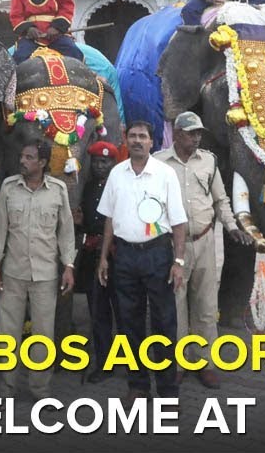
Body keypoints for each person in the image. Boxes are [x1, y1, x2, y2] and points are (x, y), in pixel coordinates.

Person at [96, 121, 188, 401]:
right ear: (126, 139)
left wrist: (179, 261)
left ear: (152, 142)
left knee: (164, 322)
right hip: (124, 256)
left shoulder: (165, 174)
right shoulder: (116, 173)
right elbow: (110, 218)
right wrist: (103, 258)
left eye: (143, 137)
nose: (137, 141)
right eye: (133, 136)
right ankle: (138, 386)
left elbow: (179, 221)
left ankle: (168, 392)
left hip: (157, 255)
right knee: (129, 322)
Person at [154, 111, 240, 389]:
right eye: (191, 133)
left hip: (204, 241)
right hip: (172, 246)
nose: (197, 137)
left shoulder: (209, 161)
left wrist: (231, 225)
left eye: (198, 133)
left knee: (205, 306)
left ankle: (204, 362)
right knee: (175, 306)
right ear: (177, 134)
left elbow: (221, 199)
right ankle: (179, 363)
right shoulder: (158, 164)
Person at [0, 141, 76, 401]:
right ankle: (6, 390)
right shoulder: (8, 187)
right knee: (7, 334)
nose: (23, 161)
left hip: (45, 275)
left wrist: (68, 266)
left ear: (42, 163)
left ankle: (41, 391)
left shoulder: (58, 190)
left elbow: (66, 232)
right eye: (22, 156)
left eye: (29, 157)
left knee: (43, 336)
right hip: (13, 274)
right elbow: (0, 229)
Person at [74, 140, 120, 385]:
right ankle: (104, 362)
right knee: (98, 311)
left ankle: (129, 359)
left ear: (113, 163)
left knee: (123, 311)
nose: (101, 166)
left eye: (106, 161)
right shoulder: (87, 187)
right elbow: (85, 222)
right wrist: (79, 221)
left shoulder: (121, 186)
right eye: (97, 161)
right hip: (93, 254)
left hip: (116, 255)